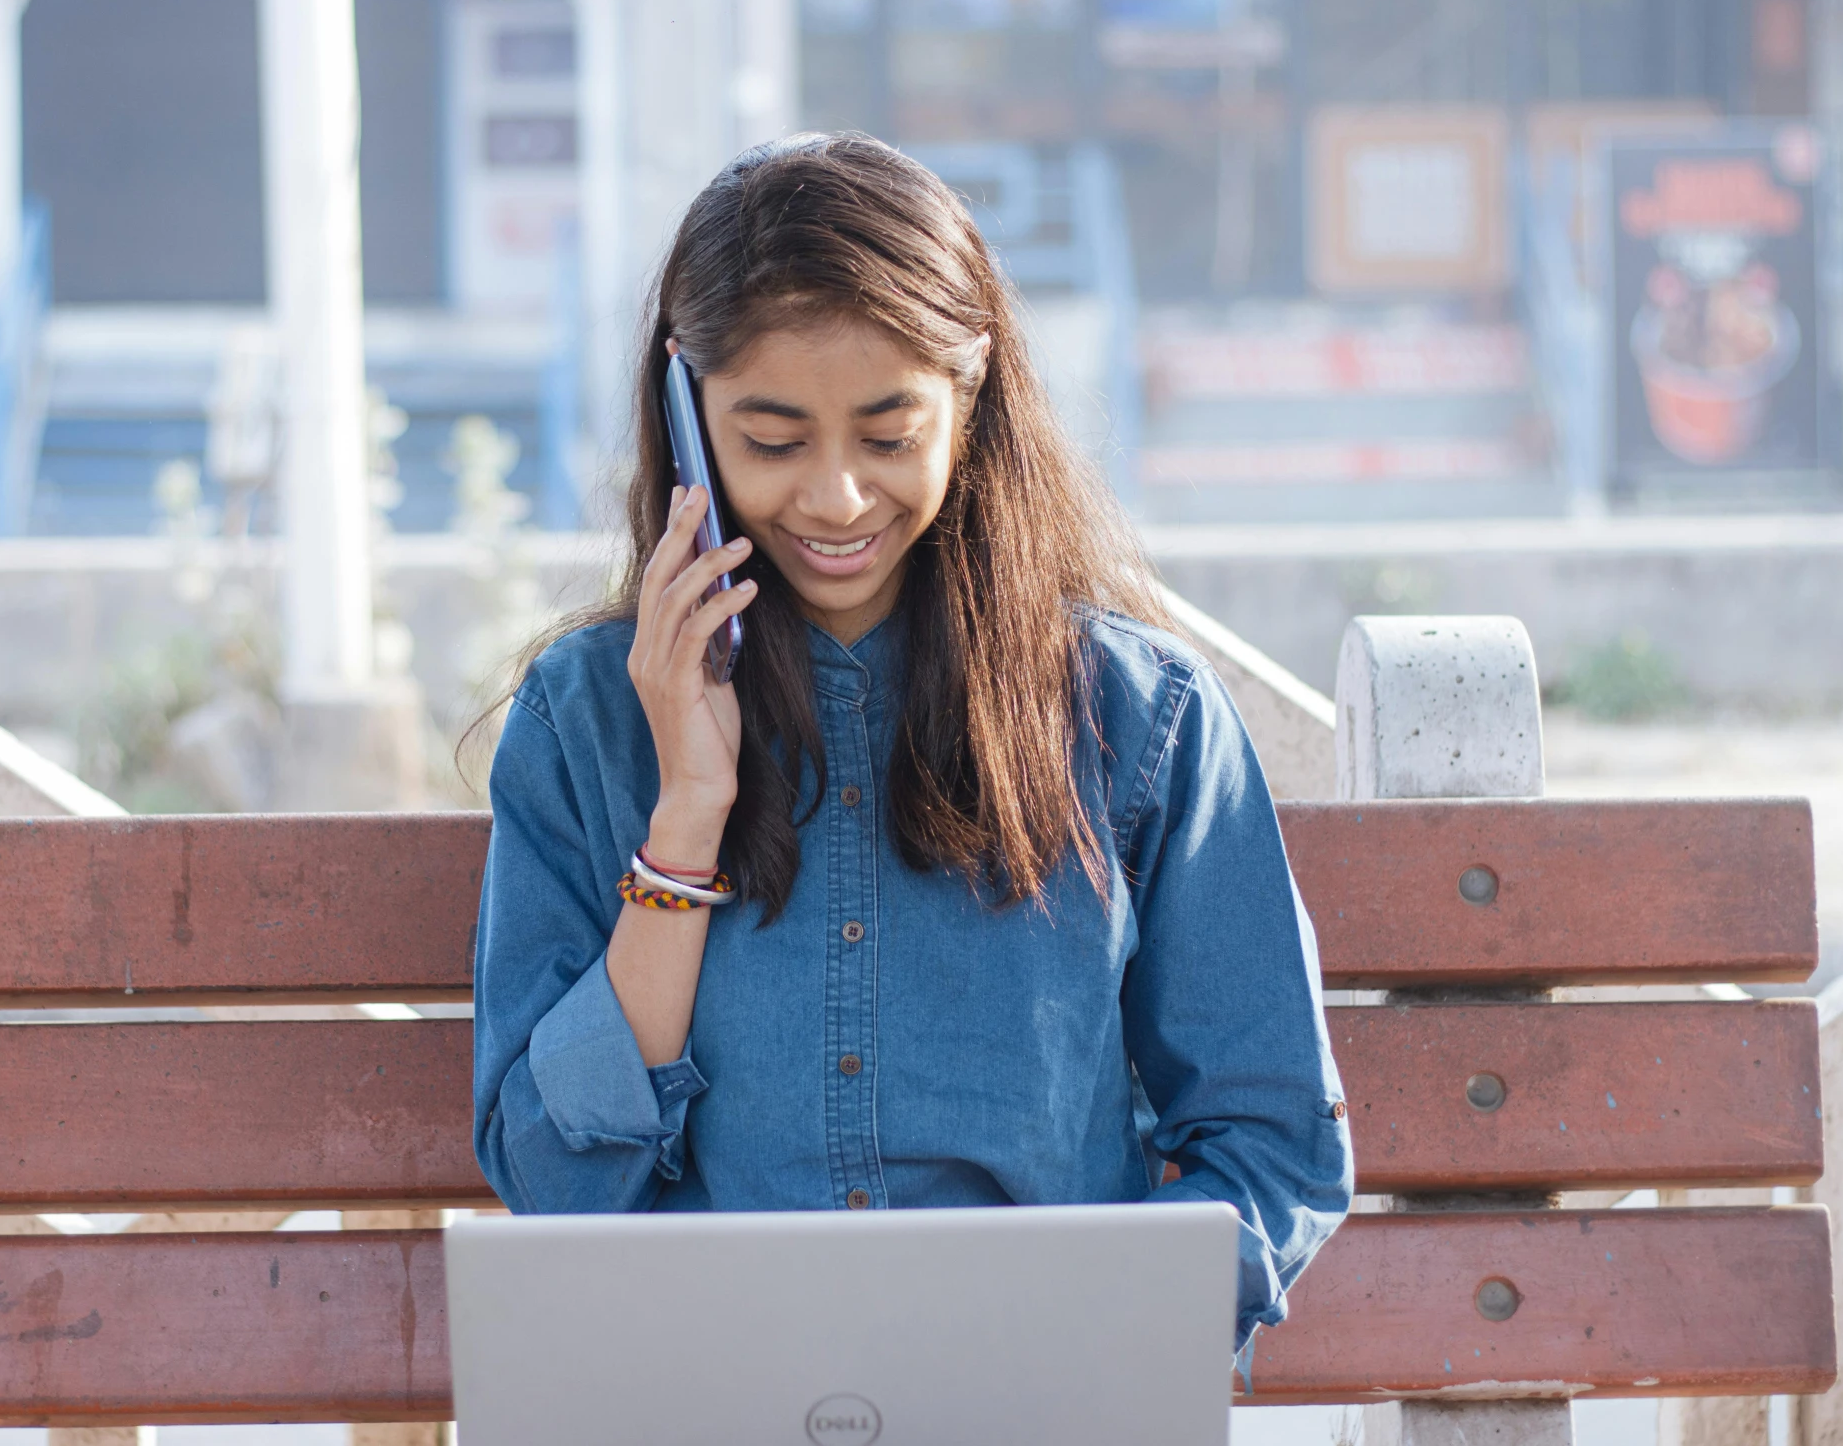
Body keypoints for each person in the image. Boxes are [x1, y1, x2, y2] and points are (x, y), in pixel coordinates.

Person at [471, 133, 1350, 1353]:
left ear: (970, 394)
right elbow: (555, 1182)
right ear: (686, 412)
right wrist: (684, 815)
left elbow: (1271, 1142)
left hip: (1043, 1402)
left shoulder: (1141, 716)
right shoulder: (587, 717)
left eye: (888, 434)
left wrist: (1097, 1339)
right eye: (771, 442)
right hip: (709, 1397)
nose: (834, 498)